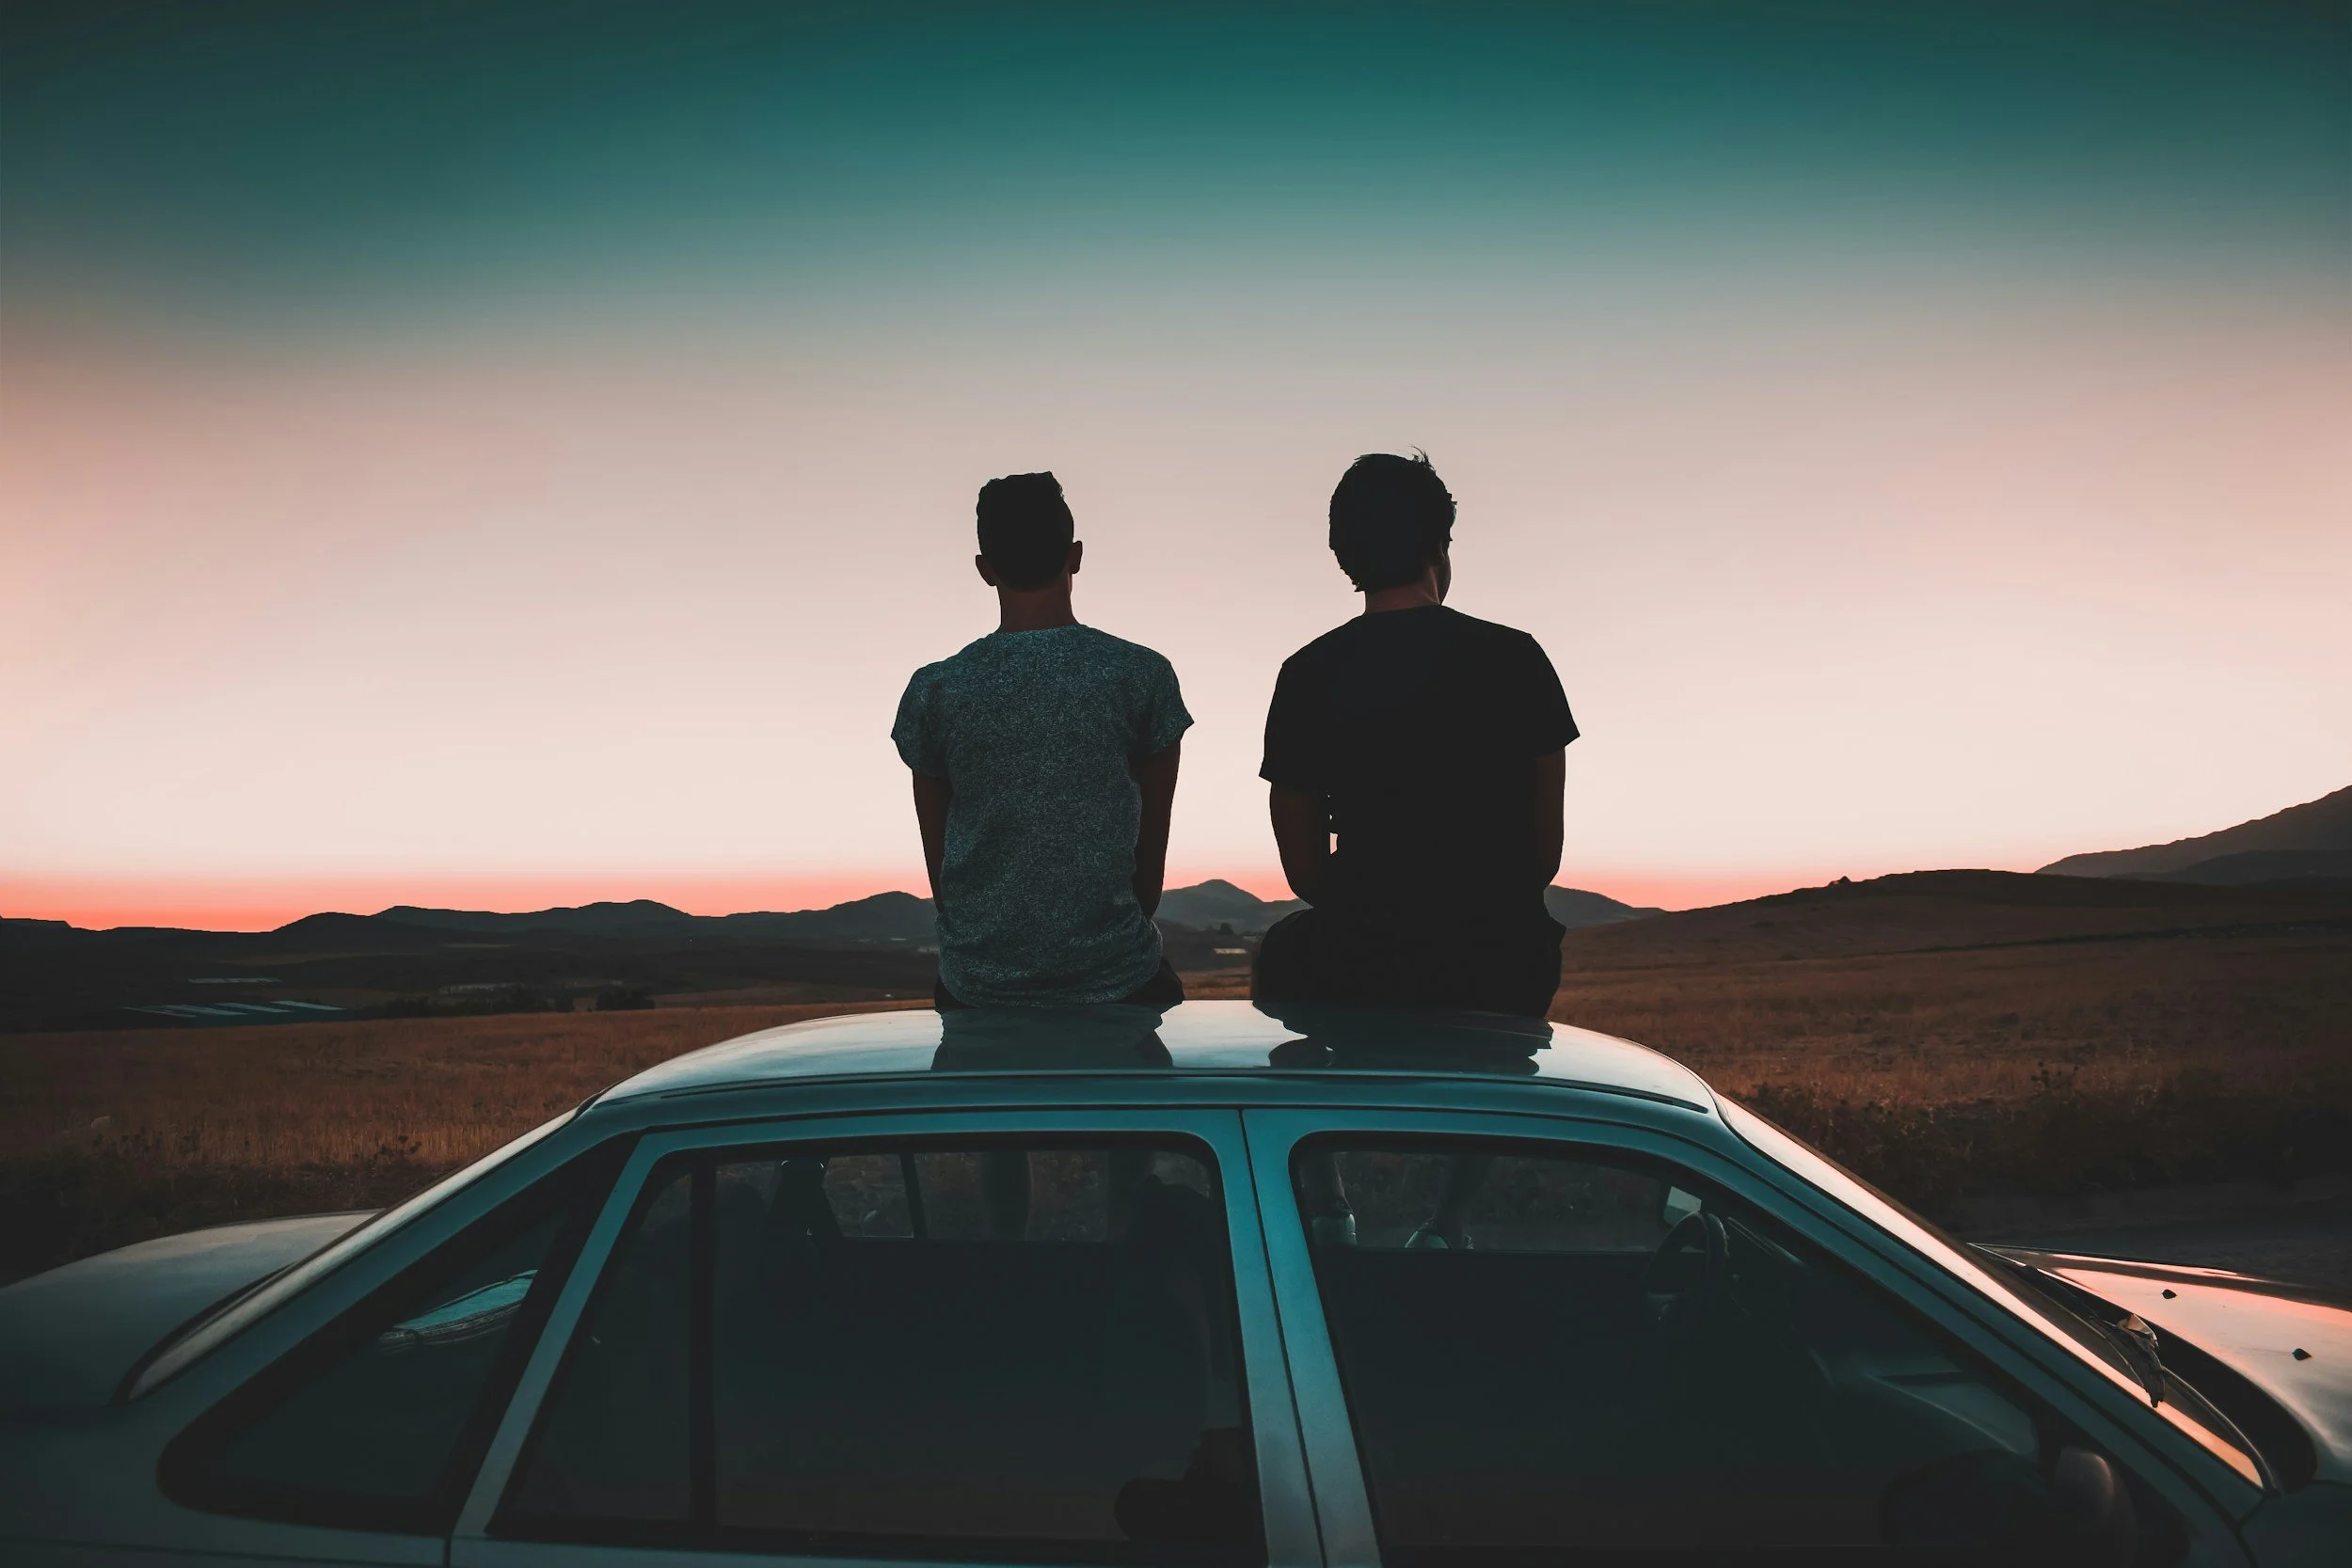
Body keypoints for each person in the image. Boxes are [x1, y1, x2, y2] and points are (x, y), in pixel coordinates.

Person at [1254, 451, 1577, 1018]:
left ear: (1344, 557)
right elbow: (1543, 854)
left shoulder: (1307, 673)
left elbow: (1304, 870)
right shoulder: (1516, 657)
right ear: (1439, 544)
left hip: (1362, 959)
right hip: (1502, 961)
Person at [893, 470, 1192, 1012]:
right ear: (1075, 555)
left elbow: (941, 864)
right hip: (1119, 977)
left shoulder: (935, 689)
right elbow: (1150, 854)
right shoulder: (1141, 675)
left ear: (986, 571)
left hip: (977, 986)